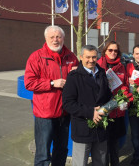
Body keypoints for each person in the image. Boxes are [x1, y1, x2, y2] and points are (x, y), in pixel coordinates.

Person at [24, 25, 79, 166]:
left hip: (64, 112)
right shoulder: (36, 57)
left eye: (58, 37)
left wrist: (77, 74)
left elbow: (79, 82)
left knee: (61, 150)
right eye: (52, 37)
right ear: (46, 38)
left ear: (63, 38)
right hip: (45, 114)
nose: (55, 40)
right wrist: (52, 83)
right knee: (43, 152)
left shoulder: (71, 57)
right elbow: (29, 83)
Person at [62, 45, 113, 166]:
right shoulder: (73, 77)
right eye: (88, 57)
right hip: (83, 128)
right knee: (80, 162)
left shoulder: (101, 73)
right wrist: (91, 112)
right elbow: (68, 103)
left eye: (94, 57)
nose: (91, 60)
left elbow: (107, 95)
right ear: (81, 57)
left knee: (101, 161)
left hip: (101, 126)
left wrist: (111, 105)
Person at [97, 41, 130, 166]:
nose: (113, 53)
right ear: (105, 51)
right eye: (110, 50)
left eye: (115, 51)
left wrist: (124, 96)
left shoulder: (122, 67)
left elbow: (126, 86)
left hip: (117, 112)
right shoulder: (98, 65)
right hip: (103, 111)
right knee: (103, 145)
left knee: (115, 144)